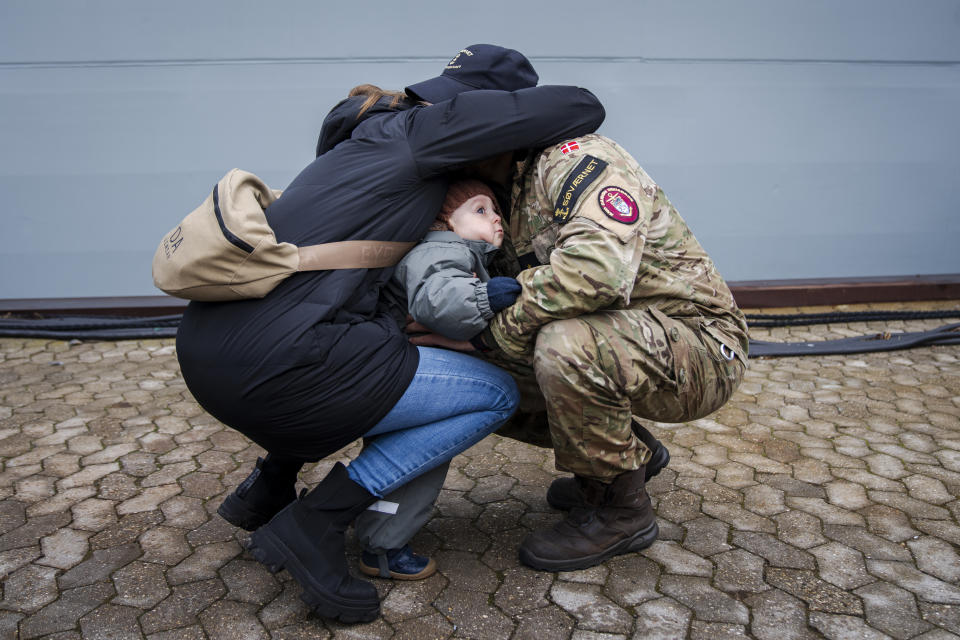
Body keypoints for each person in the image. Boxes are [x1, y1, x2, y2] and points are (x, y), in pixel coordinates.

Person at [174, 44, 606, 622]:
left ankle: (269, 487)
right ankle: (318, 521)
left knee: (379, 354)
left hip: (211, 356)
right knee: (492, 392)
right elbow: (582, 105)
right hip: (281, 375)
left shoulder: (358, 142)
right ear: (480, 109)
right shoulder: (424, 131)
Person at [418, 133, 749, 572]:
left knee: (565, 344)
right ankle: (627, 456)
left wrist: (490, 334)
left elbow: (598, 274)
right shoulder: (485, 188)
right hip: (622, 337)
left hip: (702, 346)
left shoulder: (574, 161)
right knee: (471, 376)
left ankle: (622, 510)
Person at [356, 178, 520, 579]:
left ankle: (376, 532)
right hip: (410, 368)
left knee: (411, 446)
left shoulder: (453, 252)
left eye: (495, 210)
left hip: (396, 369)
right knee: (427, 446)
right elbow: (439, 302)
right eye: (480, 210)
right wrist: (486, 298)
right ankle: (382, 545)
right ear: (444, 220)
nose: (495, 218)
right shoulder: (442, 249)